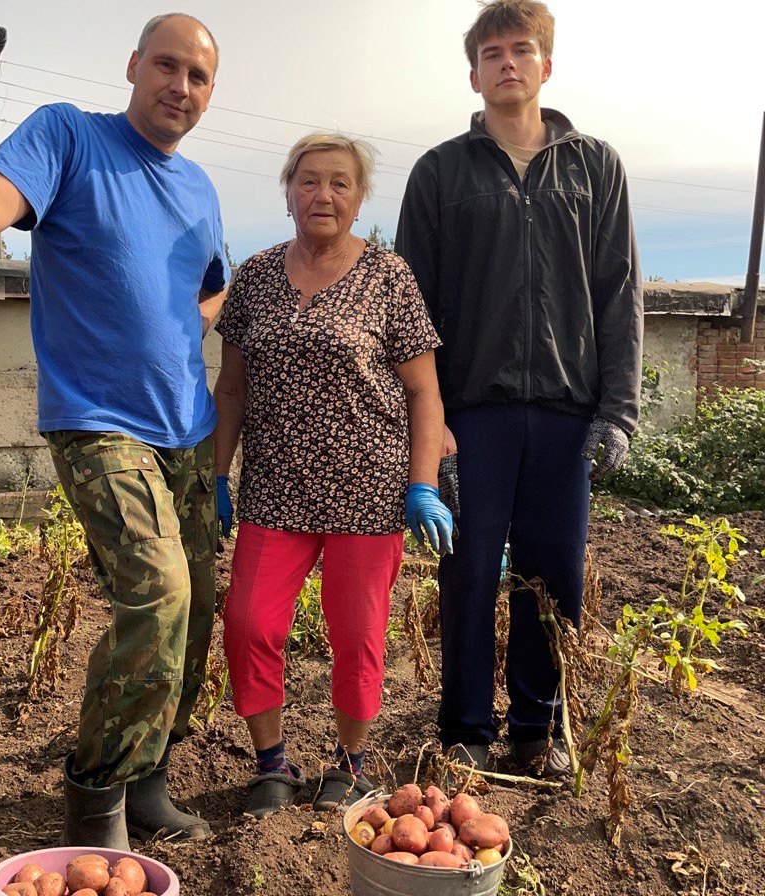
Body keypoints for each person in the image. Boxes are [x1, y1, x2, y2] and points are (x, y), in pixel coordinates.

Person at [0, 14, 229, 847]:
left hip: (188, 432)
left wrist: (179, 321)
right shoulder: (69, 136)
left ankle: (149, 778)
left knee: (199, 611)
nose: (181, 87)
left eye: (199, 77)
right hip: (100, 427)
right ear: (134, 66)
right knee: (159, 596)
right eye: (167, 67)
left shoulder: (200, 188)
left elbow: (215, 289)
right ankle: (95, 799)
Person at [396, 0, 643, 778]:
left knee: (555, 574)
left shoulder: (596, 166)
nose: (508, 62)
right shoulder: (440, 172)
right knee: (469, 569)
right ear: (474, 73)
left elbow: (619, 292)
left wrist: (619, 413)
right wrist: (429, 424)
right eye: (493, 52)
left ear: (546, 65)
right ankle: (466, 727)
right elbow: (413, 307)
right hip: (474, 412)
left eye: (522, 49)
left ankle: (540, 730)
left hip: (569, 415)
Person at [213, 133, 454, 818]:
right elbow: (231, 390)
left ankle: (349, 762)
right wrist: (218, 477)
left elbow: (423, 393)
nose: (324, 194)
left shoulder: (389, 277)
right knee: (248, 624)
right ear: (288, 192)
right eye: (310, 181)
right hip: (274, 491)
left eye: (340, 183)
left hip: (369, 493)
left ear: (359, 197)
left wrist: (424, 482)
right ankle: (272, 764)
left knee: (357, 637)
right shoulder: (256, 276)